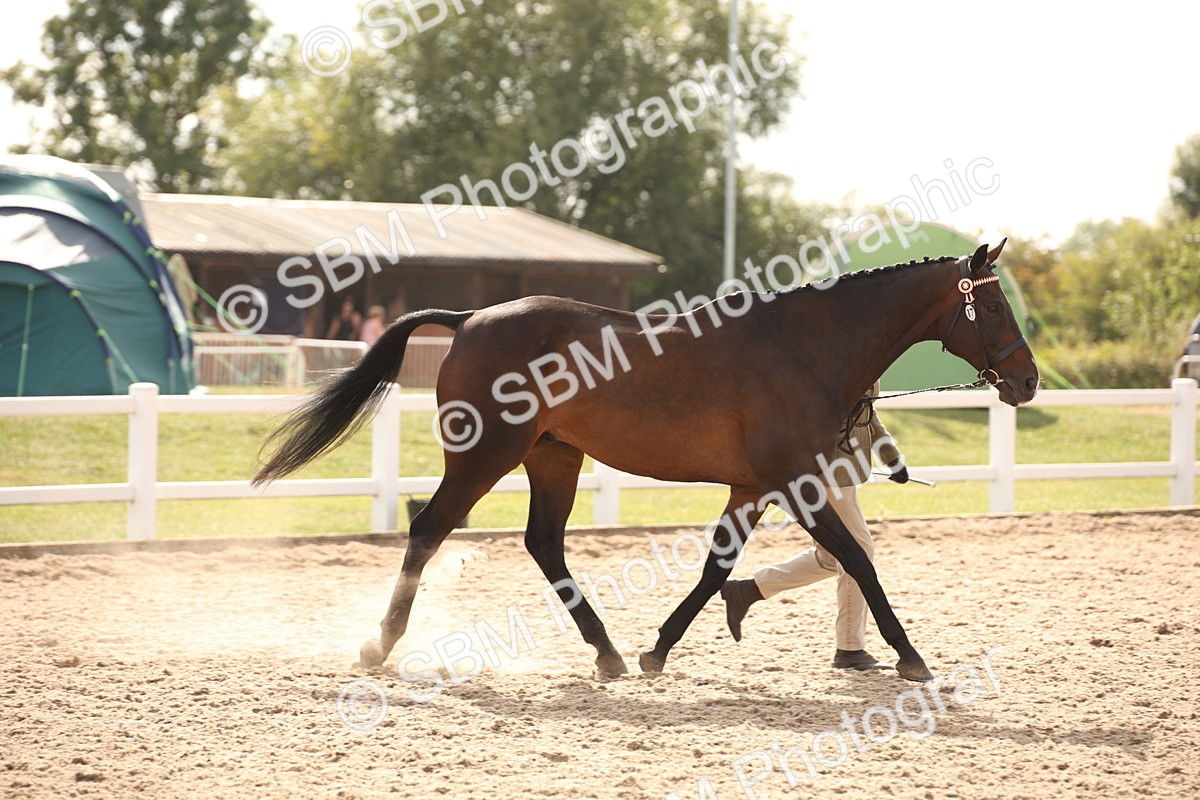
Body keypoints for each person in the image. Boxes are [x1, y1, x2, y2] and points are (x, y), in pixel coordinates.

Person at [720, 380, 909, 671]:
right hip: (826, 472)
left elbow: (867, 414)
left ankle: (748, 590)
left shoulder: (864, 353)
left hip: (842, 472)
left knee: (829, 558)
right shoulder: (831, 357)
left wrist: (891, 457)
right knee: (857, 554)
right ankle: (850, 649)